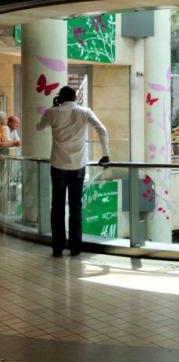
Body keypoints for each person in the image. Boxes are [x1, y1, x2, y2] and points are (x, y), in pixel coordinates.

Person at [36, 86, 110, 257]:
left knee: (58, 206)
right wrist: (105, 154)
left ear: (60, 97)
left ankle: (58, 247)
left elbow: (39, 127)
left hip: (58, 165)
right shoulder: (85, 112)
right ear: (76, 97)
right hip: (78, 166)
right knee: (76, 206)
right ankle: (76, 247)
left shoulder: (52, 112)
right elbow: (102, 130)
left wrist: (53, 107)